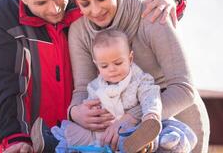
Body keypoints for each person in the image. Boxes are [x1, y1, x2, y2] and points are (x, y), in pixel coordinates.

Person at [0, 0, 188, 152]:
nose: (54, 9)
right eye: (41, 3)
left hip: (98, 124)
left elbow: (124, 2)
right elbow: (2, 85)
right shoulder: (3, 21)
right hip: (31, 137)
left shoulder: (82, 1)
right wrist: (15, 136)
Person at [65, 0, 209, 153]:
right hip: (120, 130)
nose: (96, 10)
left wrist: (135, 116)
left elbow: (184, 88)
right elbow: (82, 87)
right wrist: (74, 112)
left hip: (175, 121)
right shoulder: (79, 31)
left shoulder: (152, 14)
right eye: (85, 3)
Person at [51, 30, 197, 153]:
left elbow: (150, 96)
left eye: (118, 63)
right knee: (71, 132)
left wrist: (151, 115)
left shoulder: (139, 80)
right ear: (97, 66)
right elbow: (90, 109)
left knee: (166, 127)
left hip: (137, 126)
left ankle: (151, 143)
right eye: (104, 66)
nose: (112, 69)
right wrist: (91, 116)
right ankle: (50, 141)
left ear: (130, 58)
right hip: (106, 133)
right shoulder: (95, 87)